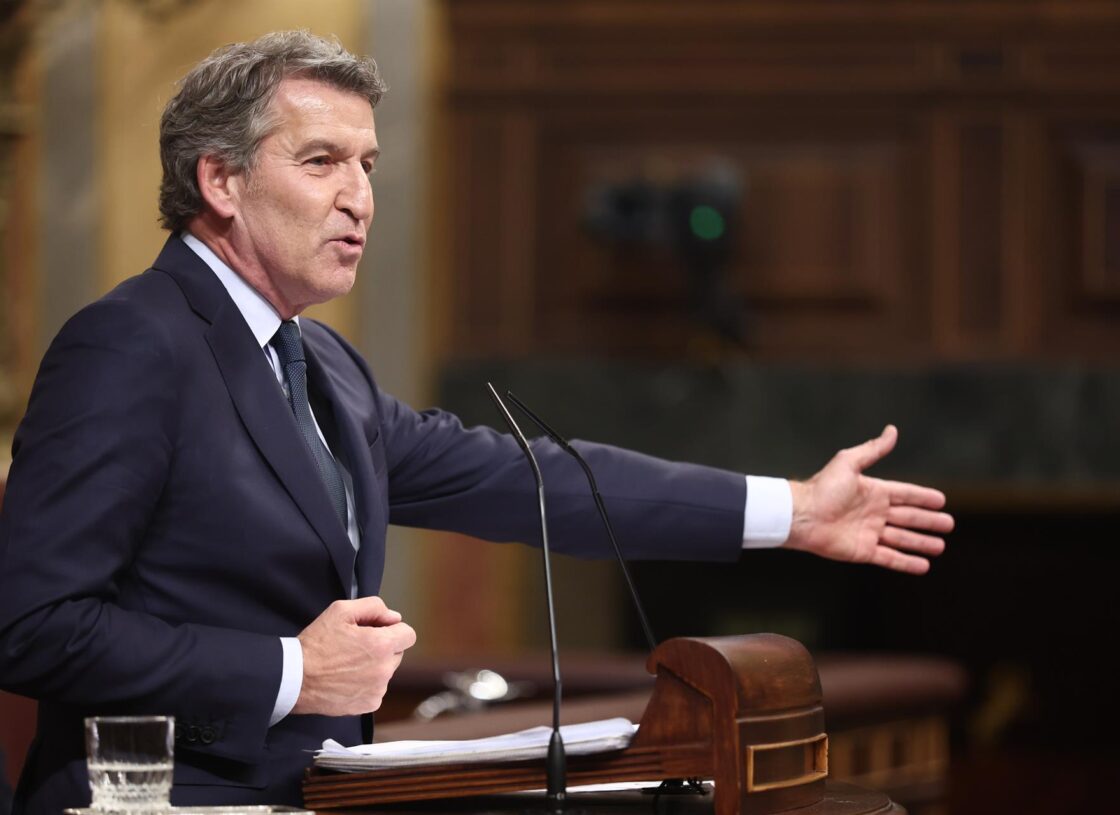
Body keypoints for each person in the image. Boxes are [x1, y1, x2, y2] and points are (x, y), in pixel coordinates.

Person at [0, 31, 953, 814]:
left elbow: (529, 481)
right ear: (221, 180)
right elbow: (30, 624)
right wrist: (289, 670)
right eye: (321, 161)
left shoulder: (323, 363)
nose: (359, 198)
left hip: (311, 796)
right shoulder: (131, 344)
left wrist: (792, 510)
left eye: (369, 164)